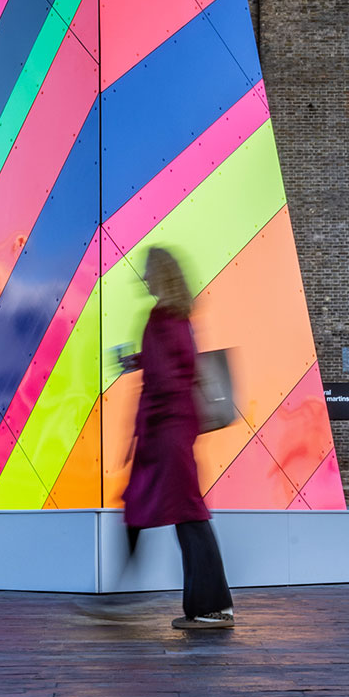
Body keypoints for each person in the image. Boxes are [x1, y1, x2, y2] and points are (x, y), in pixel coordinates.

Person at [123, 247, 234, 631]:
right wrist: (138, 361)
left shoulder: (160, 316)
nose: (145, 278)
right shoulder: (179, 317)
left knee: (187, 512)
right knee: (187, 512)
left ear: (161, 275)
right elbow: (176, 364)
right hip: (179, 426)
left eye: (149, 272)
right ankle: (211, 605)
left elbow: (166, 380)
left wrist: (148, 431)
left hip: (166, 430)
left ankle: (211, 607)